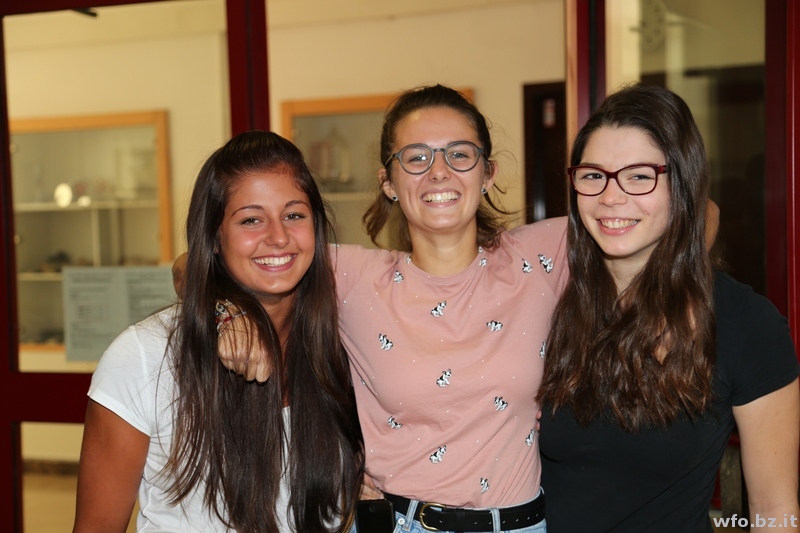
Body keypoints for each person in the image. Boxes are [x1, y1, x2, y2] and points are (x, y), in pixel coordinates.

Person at [220, 85, 567, 532]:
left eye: (459, 154)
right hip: (400, 523)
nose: (439, 172)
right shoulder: (352, 278)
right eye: (416, 157)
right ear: (388, 182)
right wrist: (231, 312)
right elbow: (202, 262)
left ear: (488, 173)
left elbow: (640, 226)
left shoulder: (540, 257)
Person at [536, 84, 800, 532]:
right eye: (593, 175)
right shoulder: (546, 296)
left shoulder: (746, 324)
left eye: (640, 176)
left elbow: (775, 510)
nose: (611, 197)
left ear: (683, 183)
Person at [73, 131, 363, 533]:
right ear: (213, 237)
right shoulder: (144, 356)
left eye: (294, 215)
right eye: (251, 220)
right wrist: (224, 309)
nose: (278, 237)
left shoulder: (346, 340)